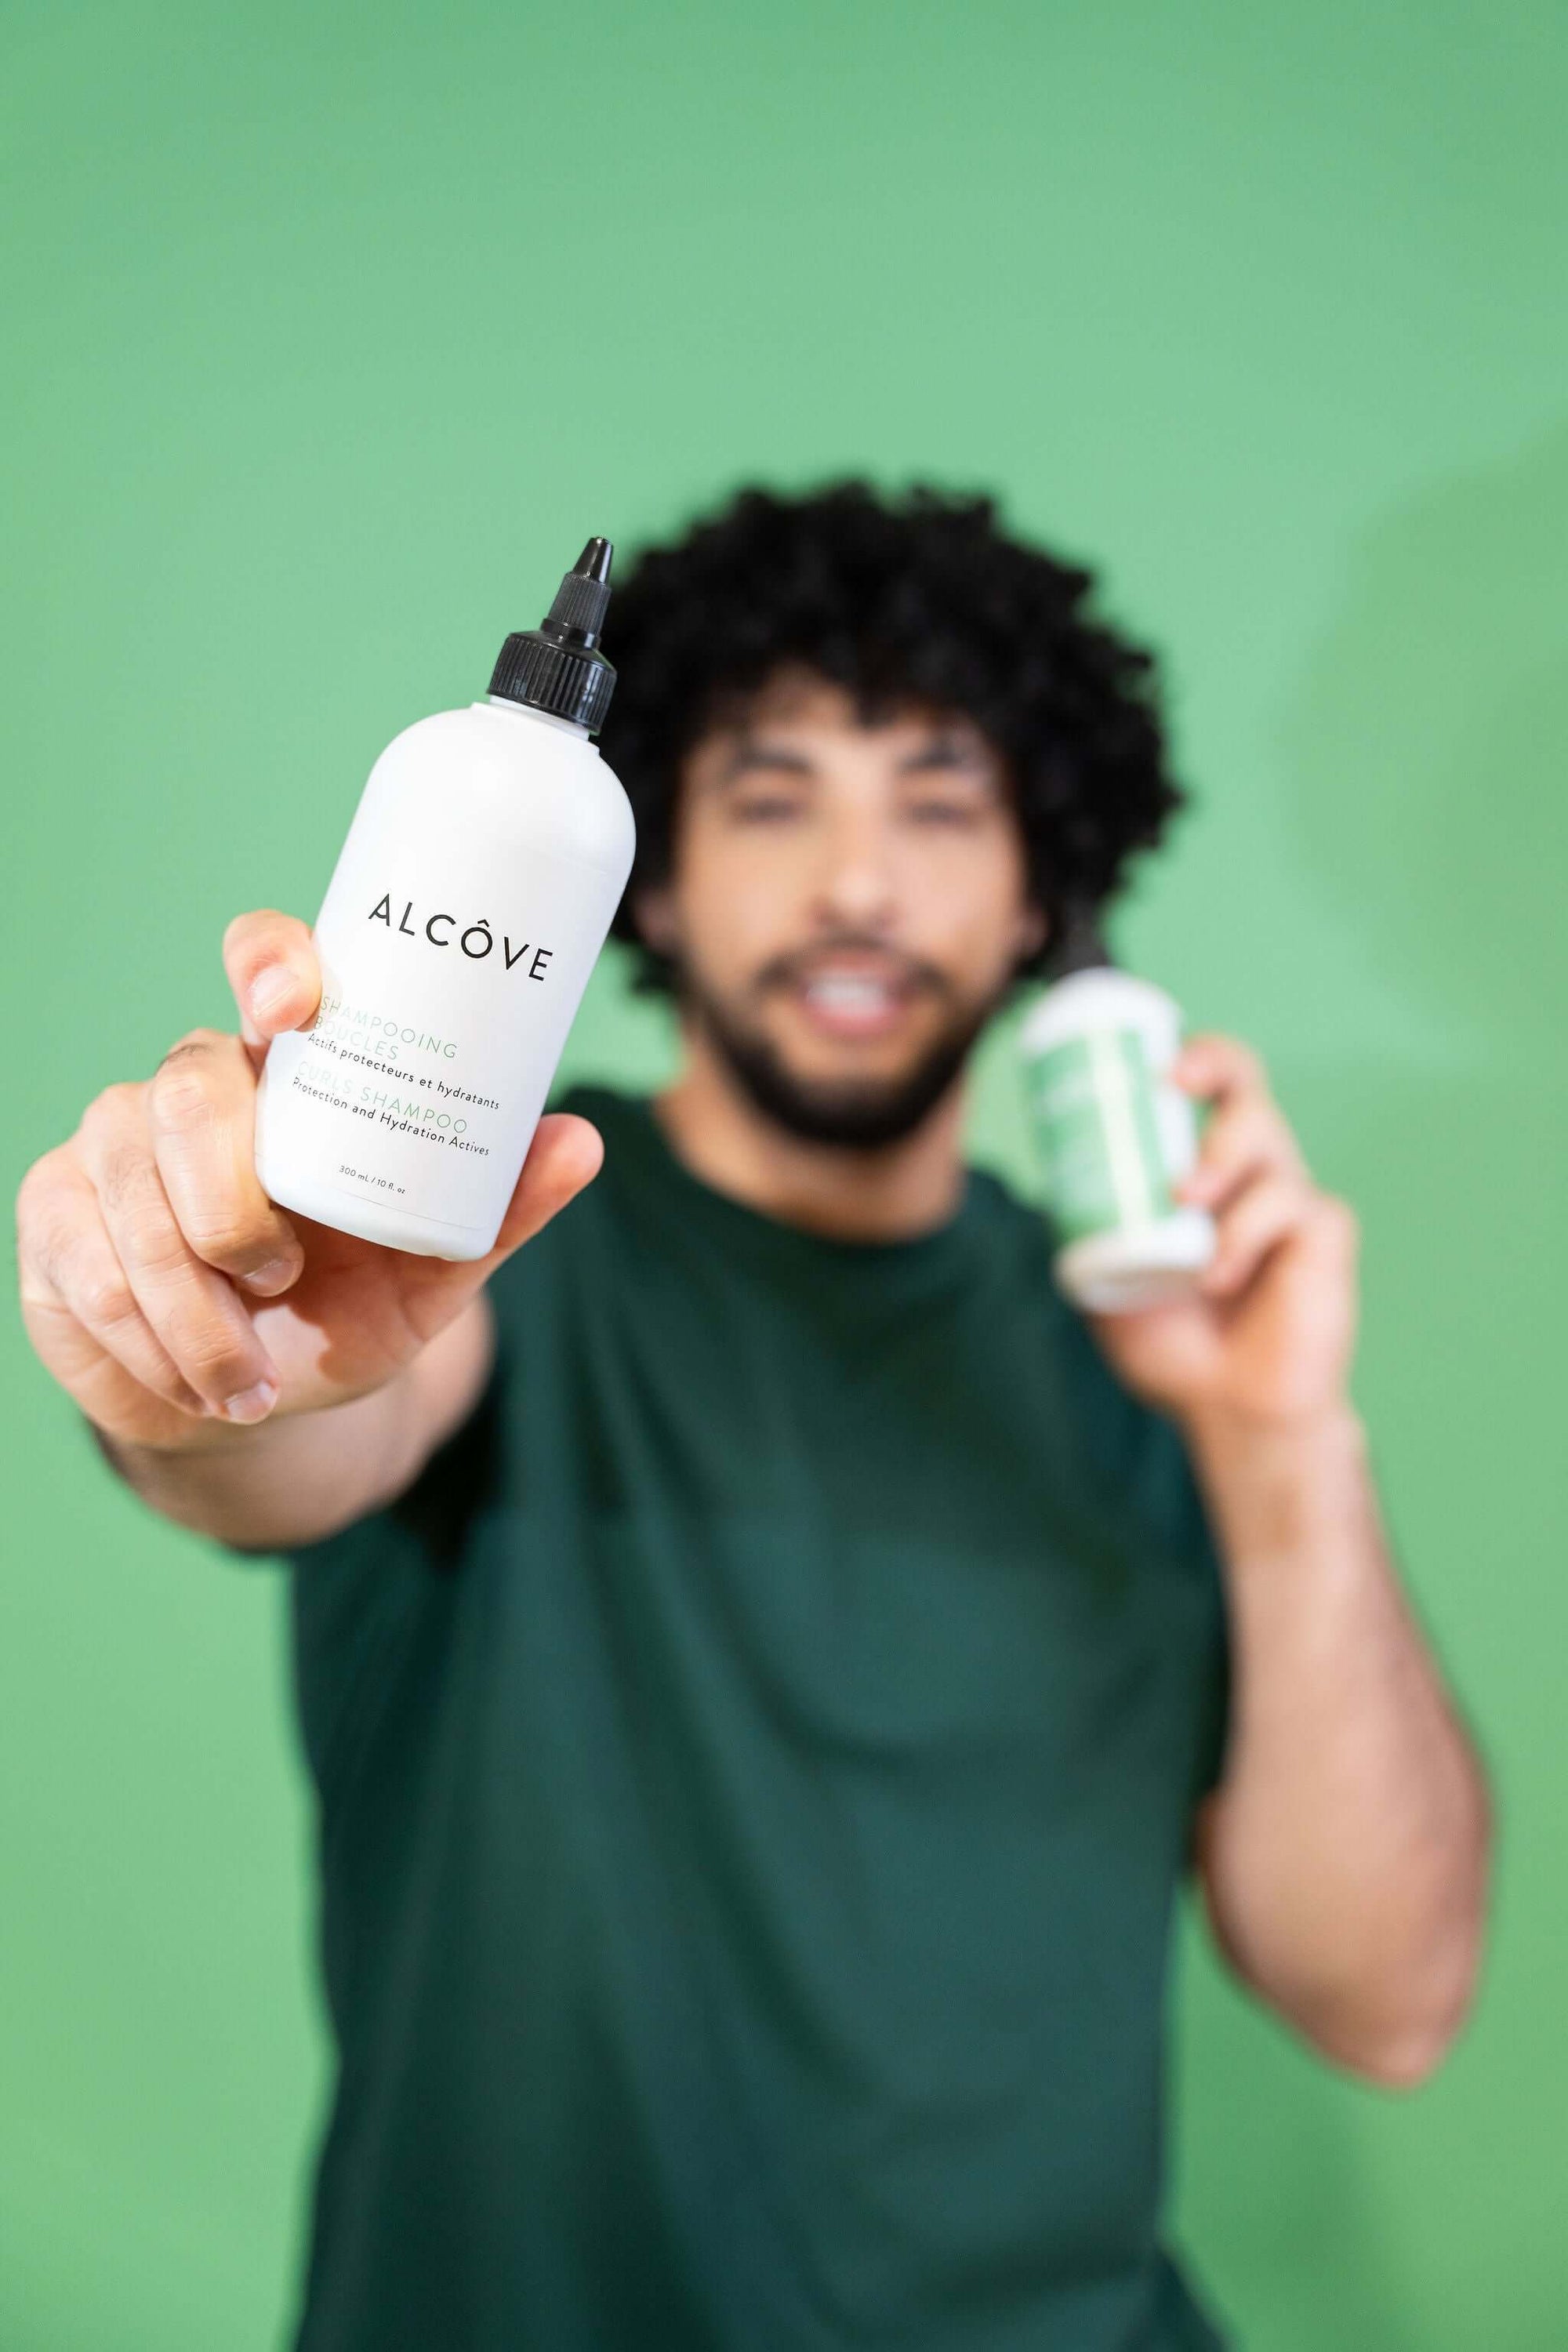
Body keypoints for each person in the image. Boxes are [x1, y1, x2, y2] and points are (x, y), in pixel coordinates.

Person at [17, 484, 1489, 2351]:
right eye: (774, 798)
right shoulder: (490, 1235)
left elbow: (1391, 2001)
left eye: (939, 803)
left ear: (1041, 884)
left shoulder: (1162, 1361)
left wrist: (1281, 1442)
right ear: (659, 876)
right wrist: (213, 1344)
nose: (856, 883)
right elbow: (292, 1436)